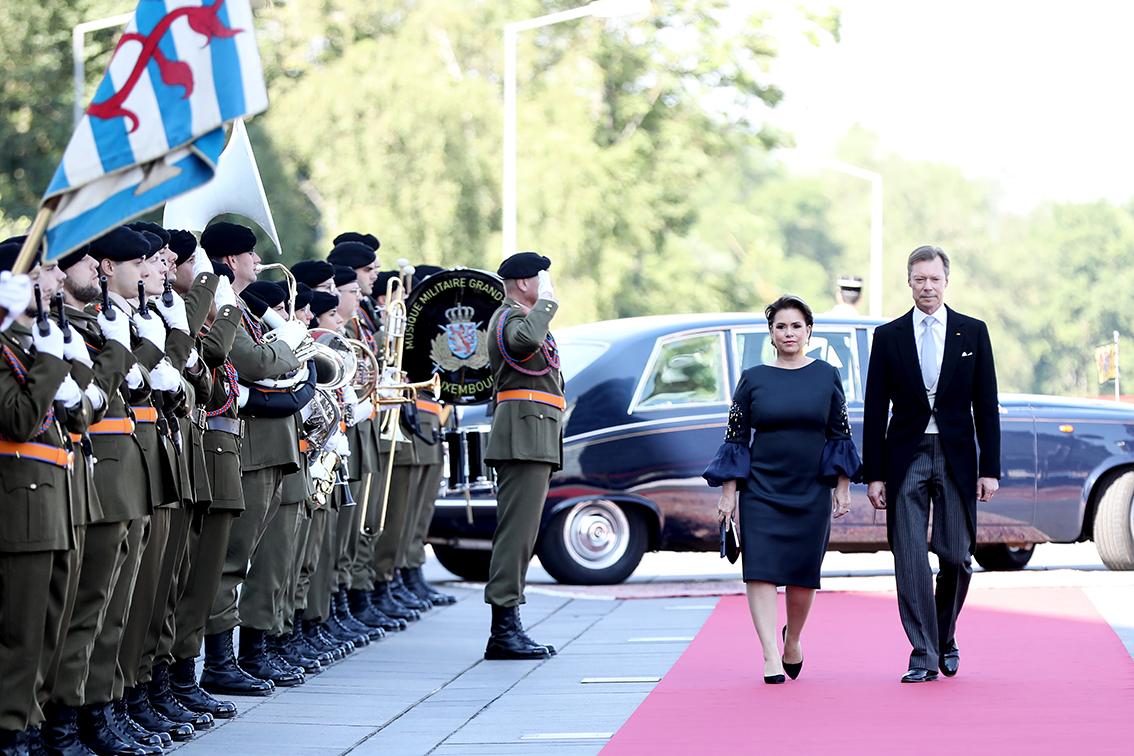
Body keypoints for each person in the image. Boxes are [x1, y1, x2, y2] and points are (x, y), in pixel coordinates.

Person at [704, 294, 860, 684]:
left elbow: (840, 433)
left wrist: (842, 486)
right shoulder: (753, 378)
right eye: (780, 326)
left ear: (809, 331)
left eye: (795, 326)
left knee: (803, 575)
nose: (788, 333)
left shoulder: (826, 375)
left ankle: (793, 640)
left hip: (810, 490)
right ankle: (770, 653)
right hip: (762, 489)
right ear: (770, 334)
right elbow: (735, 439)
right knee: (760, 570)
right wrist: (729, 494)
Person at [862, 245, 1000, 684]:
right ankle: (922, 652)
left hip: (958, 457)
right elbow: (873, 408)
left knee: (957, 555)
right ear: (909, 281)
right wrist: (875, 473)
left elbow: (987, 405)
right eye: (919, 279)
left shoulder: (972, 332)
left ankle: (946, 634)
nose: (927, 286)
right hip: (906, 455)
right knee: (909, 558)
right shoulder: (888, 337)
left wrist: (989, 467)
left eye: (934, 279)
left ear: (946, 281)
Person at [482, 252, 562, 660]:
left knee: (523, 533)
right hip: (523, 435)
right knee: (516, 534)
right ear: (524, 283)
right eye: (541, 280)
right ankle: (503, 630)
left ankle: (508, 624)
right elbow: (524, 342)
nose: (547, 285)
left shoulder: (520, 316)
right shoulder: (509, 318)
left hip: (534, 434)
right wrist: (546, 304)